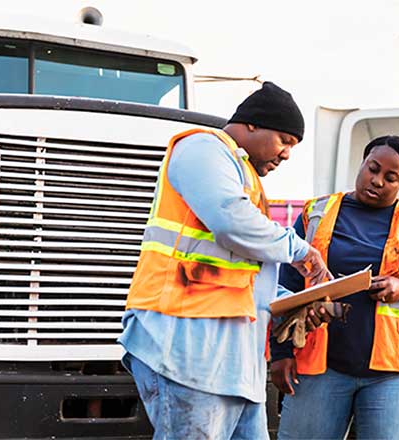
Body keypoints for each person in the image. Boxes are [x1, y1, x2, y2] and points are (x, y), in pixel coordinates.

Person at [119, 82, 331, 440]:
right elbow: (229, 221)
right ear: (252, 124)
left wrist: (290, 304)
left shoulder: (242, 174)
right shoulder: (202, 148)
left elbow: (242, 276)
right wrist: (302, 252)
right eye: (284, 140)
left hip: (232, 366)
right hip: (186, 354)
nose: (286, 155)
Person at [270, 135, 399, 440]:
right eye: (372, 168)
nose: (377, 181)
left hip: (396, 373)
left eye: (391, 177)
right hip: (322, 367)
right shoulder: (316, 214)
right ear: (361, 163)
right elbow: (286, 287)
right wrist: (280, 353)